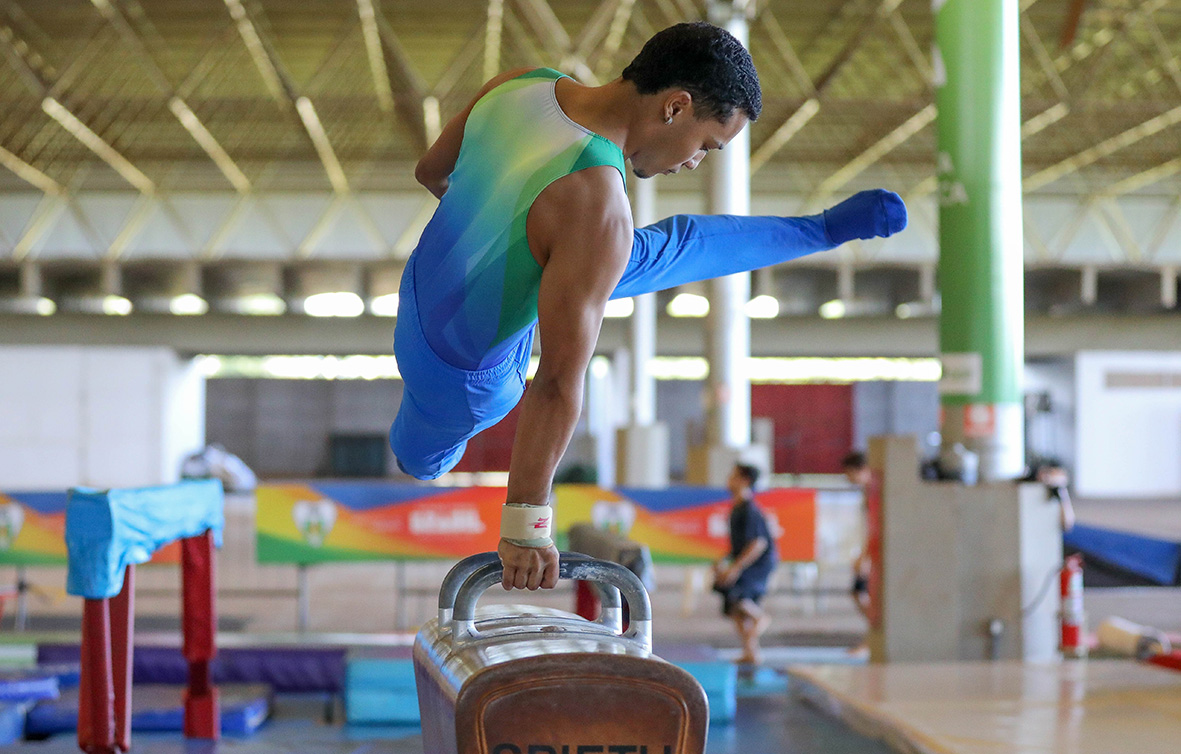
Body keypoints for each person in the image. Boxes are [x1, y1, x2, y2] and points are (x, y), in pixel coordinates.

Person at [390, 22, 909, 592]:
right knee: (421, 459)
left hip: (419, 296)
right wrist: (525, 527)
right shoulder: (595, 205)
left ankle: (823, 230)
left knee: (626, 252)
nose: (696, 162)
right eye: (707, 146)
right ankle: (821, 230)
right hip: (462, 381)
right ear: (675, 106)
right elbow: (556, 383)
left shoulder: (520, 84)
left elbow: (430, 172)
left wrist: (498, 244)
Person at [712, 463, 778, 665]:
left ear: (745, 481)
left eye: (733, 476)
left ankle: (760, 617)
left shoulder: (750, 510)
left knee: (737, 594)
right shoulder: (736, 509)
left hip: (757, 564)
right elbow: (738, 546)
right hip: (744, 562)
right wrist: (723, 562)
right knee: (733, 606)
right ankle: (751, 652)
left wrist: (735, 567)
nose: (729, 480)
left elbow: (757, 544)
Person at [842, 451, 874, 634]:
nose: (848, 478)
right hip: (868, 552)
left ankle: (875, 633)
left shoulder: (875, 493)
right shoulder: (868, 492)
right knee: (859, 593)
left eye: (849, 473)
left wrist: (865, 556)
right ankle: (873, 634)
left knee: (862, 593)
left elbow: (875, 529)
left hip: (871, 553)